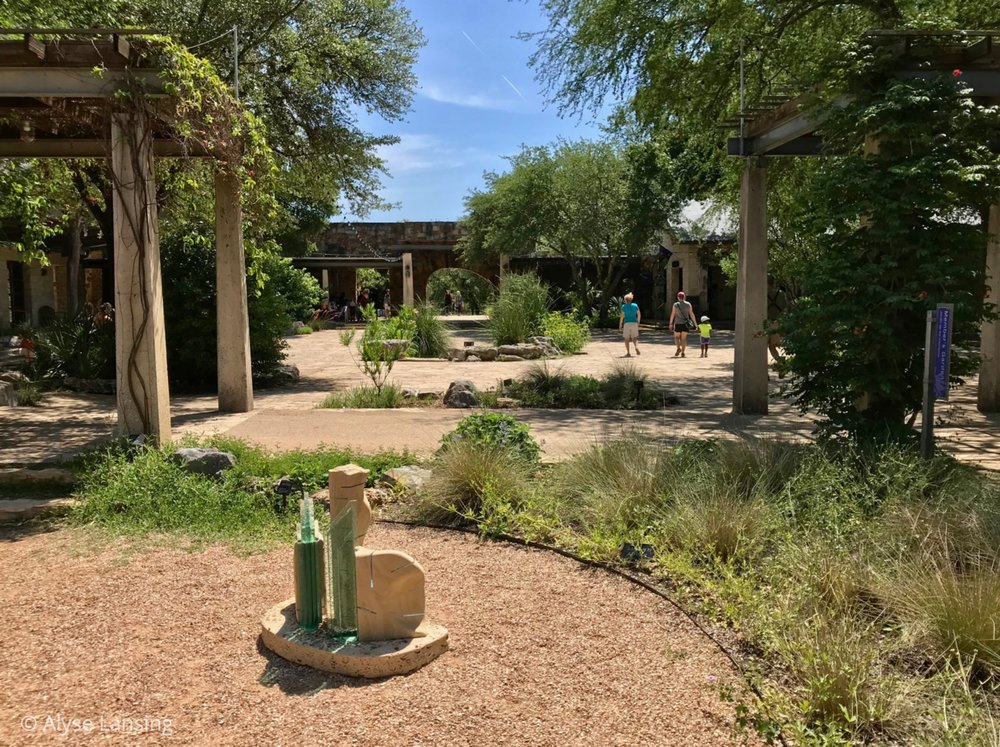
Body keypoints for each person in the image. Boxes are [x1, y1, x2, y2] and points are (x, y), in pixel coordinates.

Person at [668, 291, 696, 358]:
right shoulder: (688, 304)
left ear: (678, 297)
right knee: (683, 339)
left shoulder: (675, 305)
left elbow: (673, 314)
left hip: (678, 323)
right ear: (684, 297)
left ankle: (678, 348)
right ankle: (683, 353)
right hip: (685, 324)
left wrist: (670, 323)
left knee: (676, 337)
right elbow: (691, 314)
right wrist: (695, 323)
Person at [618, 292, 641, 357]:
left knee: (626, 339)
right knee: (635, 337)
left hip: (627, 323)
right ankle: (636, 347)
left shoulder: (623, 306)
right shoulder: (635, 305)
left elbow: (622, 316)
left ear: (625, 300)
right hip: (634, 322)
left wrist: (620, 324)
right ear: (631, 299)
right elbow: (639, 314)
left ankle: (628, 352)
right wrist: (638, 321)